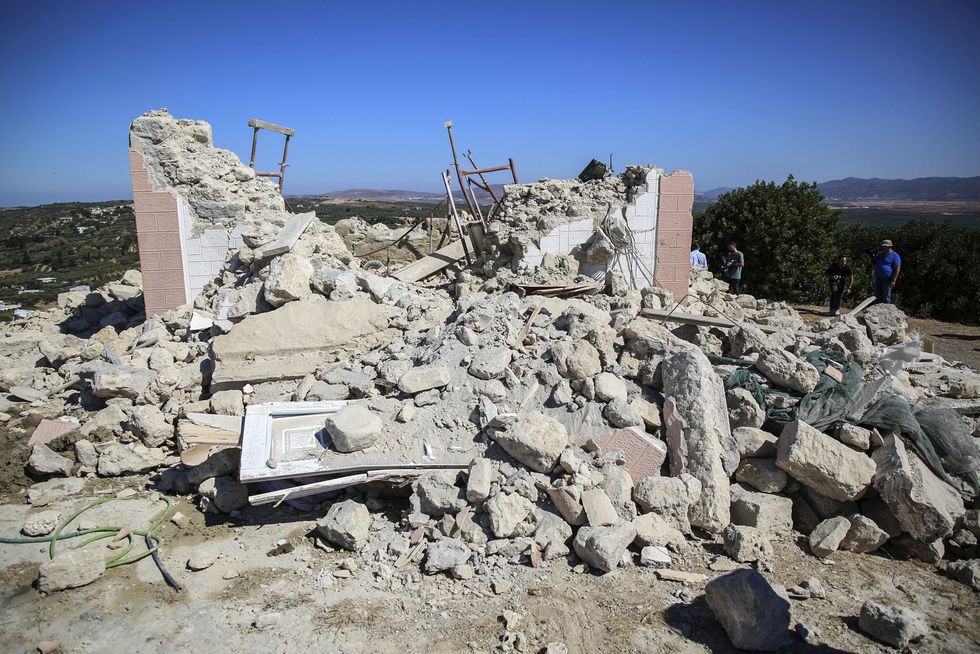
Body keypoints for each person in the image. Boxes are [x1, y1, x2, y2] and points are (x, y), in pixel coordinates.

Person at [873, 239, 902, 304]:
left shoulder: (895, 256)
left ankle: (886, 311)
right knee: (876, 296)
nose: (883, 248)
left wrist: (894, 280)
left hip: (887, 280)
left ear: (889, 247)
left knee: (887, 297)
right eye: (883, 246)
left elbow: (897, 268)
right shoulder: (880, 254)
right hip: (878, 278)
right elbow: (876, 263)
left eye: (885, 246)